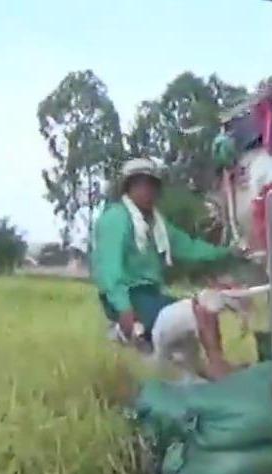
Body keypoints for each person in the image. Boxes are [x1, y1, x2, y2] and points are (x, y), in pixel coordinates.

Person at [91, 158, 244, 379]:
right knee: (203, 307)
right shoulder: (116, 219)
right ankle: (218, 365)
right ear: (129, 187)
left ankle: (204, 377)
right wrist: (124, 310)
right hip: (132, 301)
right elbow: (109, 270)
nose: (148, 191)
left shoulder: (157, 225)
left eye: (152, 185)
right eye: (141, 184)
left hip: (153, 298)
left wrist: (229, 252)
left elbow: (189, 247)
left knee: (187, 362)